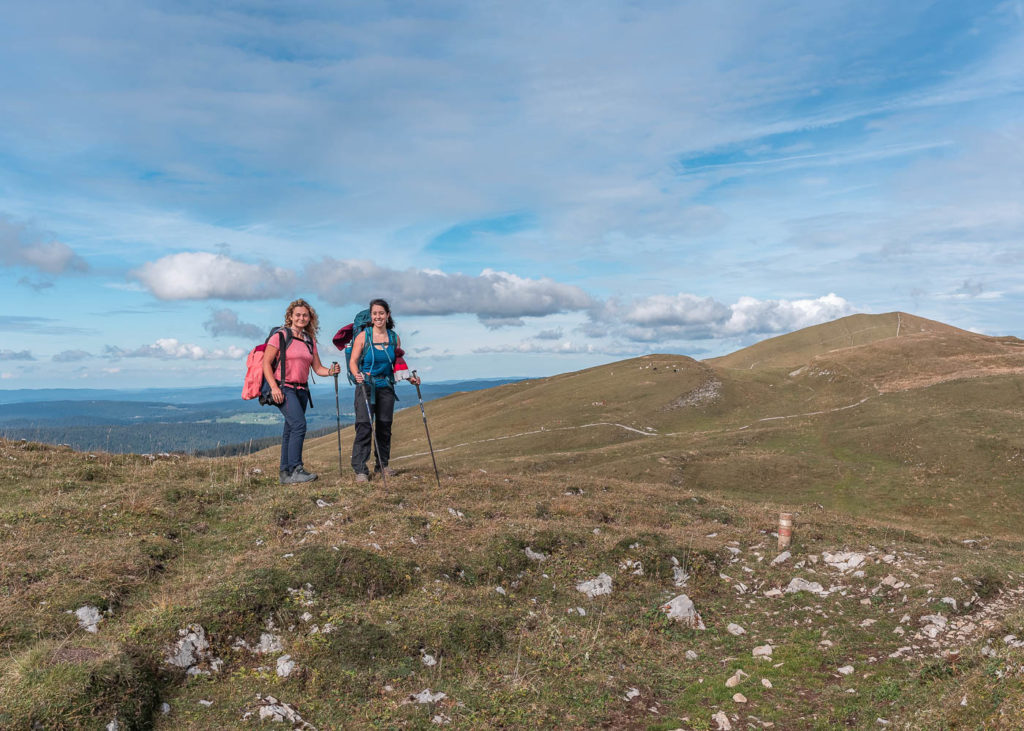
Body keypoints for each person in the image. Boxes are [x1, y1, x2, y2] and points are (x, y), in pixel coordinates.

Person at [263, 298, 340, 484]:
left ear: (310, 318)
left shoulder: (309, 340)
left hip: (302, 390)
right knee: (299, 425)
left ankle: (285, 474)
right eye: (298, 315)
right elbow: (265, 363)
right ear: (290, 317)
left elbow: (318, 368)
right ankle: (296, 469)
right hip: (284, 388)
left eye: (305, 315)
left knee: (290, 429)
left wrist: (330, 372)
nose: (301, 318)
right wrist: (274, 387)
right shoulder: (280, 336)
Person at [349, 298, 420, 482]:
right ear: (371, 316)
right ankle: (361, 470)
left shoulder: (394, 338)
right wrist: (357, 374)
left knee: (384, 427)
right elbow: (353, 361)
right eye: (375, 313)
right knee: (364, 426)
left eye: (381, 313)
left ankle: (382, 465)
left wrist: (410, 378)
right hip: (366, 385)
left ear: (387, 315)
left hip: (386, 386)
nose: (378, 316)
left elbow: (397, 365)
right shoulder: (364, 336)